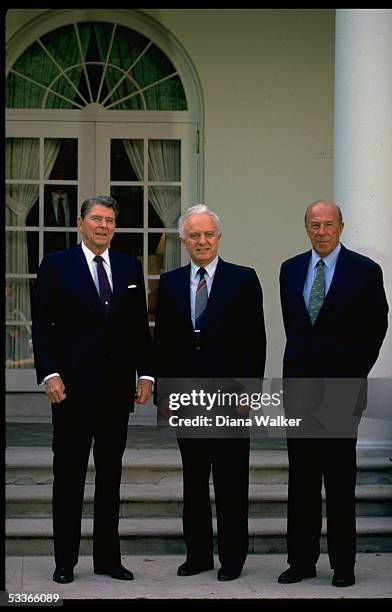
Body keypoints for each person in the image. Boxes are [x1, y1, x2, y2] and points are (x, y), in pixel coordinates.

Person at [32, 195, 154, 584]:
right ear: (82, 223)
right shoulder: (56, 266)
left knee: (110, 478)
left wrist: (146, 374)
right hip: (70, 391)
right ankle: (65, 561)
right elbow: (42, 326)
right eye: (97, 219)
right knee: (69, 477)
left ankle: (107, 559)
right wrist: (49, 372)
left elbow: (138, 328)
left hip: (116, 393)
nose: (104, 226)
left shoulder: (128, 265)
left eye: (110, 221)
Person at [278, 200, 388, 587]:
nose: (321, 232)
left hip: (342, 390)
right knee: (302, 481)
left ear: (341, 227)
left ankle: (343, 566)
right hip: (300, 390)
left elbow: (376, 328)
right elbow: (296, 329)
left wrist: (352, 375)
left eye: (328, 225)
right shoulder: (290, 269)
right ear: (305, 227)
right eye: (314, 225)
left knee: (340, 482)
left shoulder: (365, 271)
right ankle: (301, 562)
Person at [154, 205, 266, 581]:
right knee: (194, 481)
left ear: (218, 237)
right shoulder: (169, 282)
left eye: (208, 234)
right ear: (183, 241)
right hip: (188, 399)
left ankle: (232, 558)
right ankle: (198, 555)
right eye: (194, 236)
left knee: (232, 482)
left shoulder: (243, 279)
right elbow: (163, 343)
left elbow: (256, 342)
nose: (202, 241)